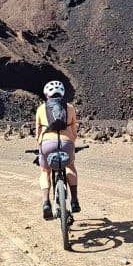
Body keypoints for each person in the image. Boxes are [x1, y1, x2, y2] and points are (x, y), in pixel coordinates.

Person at [35, 80, 81, 219]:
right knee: (70, 166)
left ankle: (46, 202)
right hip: (67, 143)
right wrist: (70, 145)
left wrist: (40, 149)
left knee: (45, 171)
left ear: (47, 95)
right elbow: (74, 132)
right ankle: (74, 201)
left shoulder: (41, 109)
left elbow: (37, 134)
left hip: (47, 144)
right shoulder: (70, 108)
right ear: (62, 93)